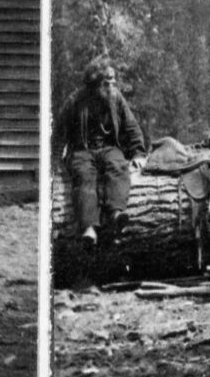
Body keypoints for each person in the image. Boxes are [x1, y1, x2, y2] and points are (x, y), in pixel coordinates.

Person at [55, 56, 145, 249]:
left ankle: (116, 213)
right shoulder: (75, 101)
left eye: (113, 83)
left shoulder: (115, 97)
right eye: (107, 83)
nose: (112, 86)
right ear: (95, 85)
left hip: (108, 148)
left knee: (118, 167)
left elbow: (131, 126)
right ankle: (89, 228)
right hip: (82, 151)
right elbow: (58, 136)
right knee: (85, 177)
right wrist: (52, 165)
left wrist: (138, 153)